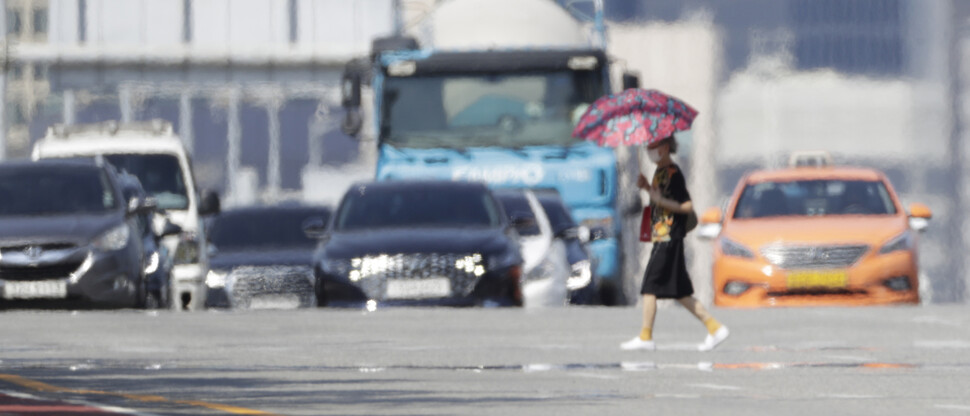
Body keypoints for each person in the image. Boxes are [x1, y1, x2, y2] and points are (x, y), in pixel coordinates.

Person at [621, 135, 730, 352]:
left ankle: (646, 337)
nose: (649, 150)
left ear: (665, 147)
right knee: (680, 293)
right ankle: (715, 328)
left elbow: (686, 206)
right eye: (648, 146)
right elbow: (660, 201)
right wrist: (646, 188)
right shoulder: (661, 173)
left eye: (653, 146)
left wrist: (659, 199)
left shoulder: (673, 173)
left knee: (649, 287)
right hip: (664, 237)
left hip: (668, 239)